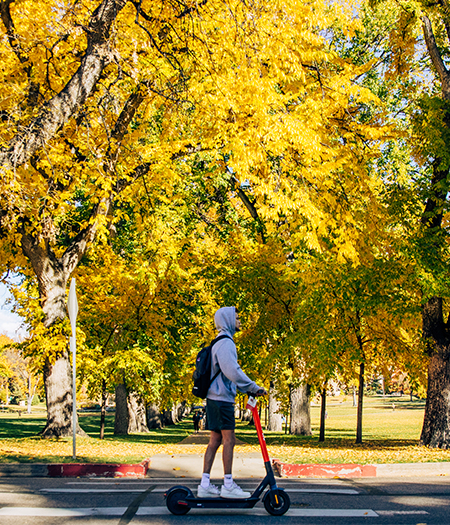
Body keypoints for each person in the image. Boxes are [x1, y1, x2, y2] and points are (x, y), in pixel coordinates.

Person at [197, 306, 267, 499]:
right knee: (229, 440)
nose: (240, 321)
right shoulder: (226, 343)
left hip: (214, 398)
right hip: (222, 399)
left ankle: (205, 484)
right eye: (236, 318)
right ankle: (228, 484)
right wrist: (253, 387)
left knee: (215, 441)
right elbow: (232, 372)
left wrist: (247, 388)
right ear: (227, 320)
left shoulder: (218, 342)